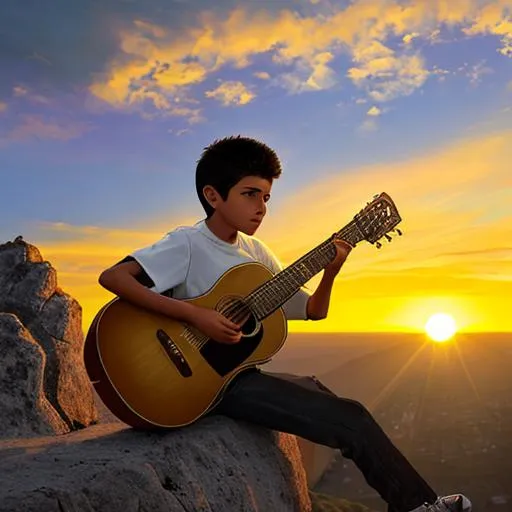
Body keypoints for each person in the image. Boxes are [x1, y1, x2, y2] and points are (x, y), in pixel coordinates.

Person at [98, 136, 472, 512]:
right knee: (352, 417)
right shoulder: (188, 242)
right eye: (250, 194)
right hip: (199, 382)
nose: (261, 207)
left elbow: (312, 310)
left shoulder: (257, 255)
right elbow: (114, 278)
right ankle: (420, 506)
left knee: (316, 389)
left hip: (234, 375)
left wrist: (331, 271)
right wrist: (197, 316)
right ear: (213, 196)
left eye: (266, 197)